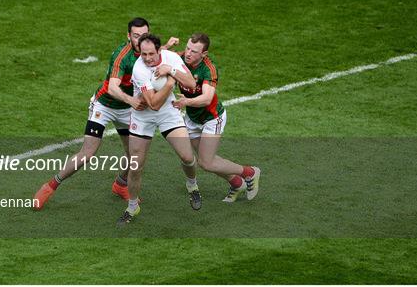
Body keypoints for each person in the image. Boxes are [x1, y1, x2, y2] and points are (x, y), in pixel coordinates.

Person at [33, 18, 178, 210]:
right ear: (128, 36)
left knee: (133, 155)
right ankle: (50, 186)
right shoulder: (122, 57)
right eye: (136, 36)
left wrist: (168, 47)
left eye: (143, 35)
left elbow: (162, 58)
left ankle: (120, 184)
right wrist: (132, 101)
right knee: (88, 153)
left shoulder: (148, 52)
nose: (140, 39)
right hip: (105, 106)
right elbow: (112, 88)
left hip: (127, 110)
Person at [118, 33, 201, 225]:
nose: (147, 58)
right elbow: (153, 104)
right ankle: (132, 207)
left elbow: (191, 83)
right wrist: (172, 81)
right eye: (143, 54)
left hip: (168, 113)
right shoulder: (139, 69)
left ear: (159, 50)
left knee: (187, 157)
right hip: (143, 116)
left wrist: (170, 70)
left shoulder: (171, 58)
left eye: (151, 54)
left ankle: (192, 186)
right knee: (136, 166)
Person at [171, 33, 260, 203]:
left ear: (203, 54)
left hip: (212, 118)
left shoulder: (208, 69)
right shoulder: (180, 58)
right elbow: (155, 53)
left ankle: (250, 173)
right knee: (207, 159)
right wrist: (167, 46)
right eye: (188, 47)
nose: (188, 53)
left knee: (206, 162)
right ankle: (236, 183)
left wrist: (186, 102)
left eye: (194, 51)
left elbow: (206, 98)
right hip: (193, 118)